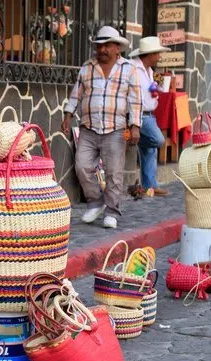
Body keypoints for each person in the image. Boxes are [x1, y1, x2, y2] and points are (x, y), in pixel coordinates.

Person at [61, 26, 142, 229]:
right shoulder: (87, 68)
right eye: (99, 46)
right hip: (88, 127)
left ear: (117, 48)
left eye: (107, 45)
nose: (102, 49)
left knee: (114, 172)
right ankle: (96, 202)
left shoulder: (129, 69)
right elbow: (75, 95)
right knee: (82, 166)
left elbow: (135, 101)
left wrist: (135, 126)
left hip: (115, 128)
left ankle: (112, 211)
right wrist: (68, 115)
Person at [130, 36, 171, 196]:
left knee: (150, 149)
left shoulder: (149, 71)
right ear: (149, 54)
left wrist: (157, 90)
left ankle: (150, 186)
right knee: (158, 140)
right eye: (157, 53)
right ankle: (139, 140)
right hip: (140, 115)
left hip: (149, 114)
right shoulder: (133, 68)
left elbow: (149, 91)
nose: (159, 57)